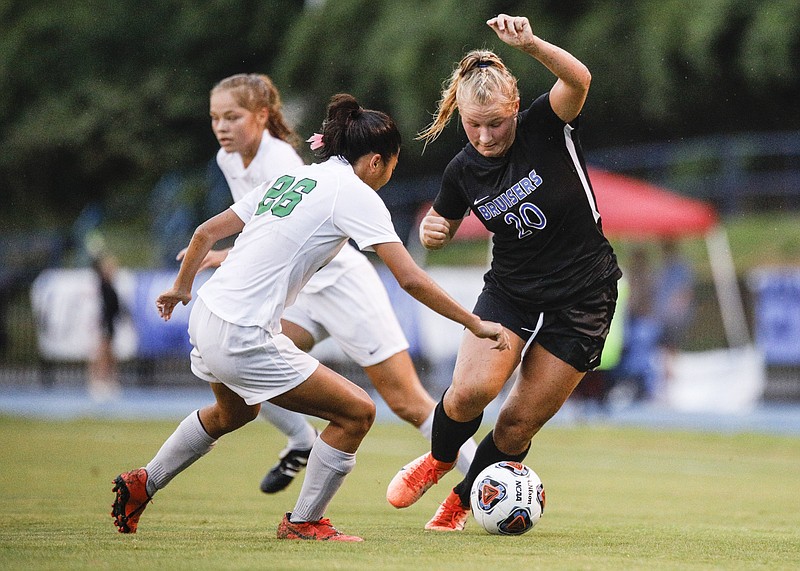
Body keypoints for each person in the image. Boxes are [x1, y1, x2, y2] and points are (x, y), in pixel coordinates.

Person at [110, 93, 508, 542]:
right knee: (356, 413)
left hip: (206, 315)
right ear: (376, 161)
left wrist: (182, 287)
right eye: (393, 165)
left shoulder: (294, 178)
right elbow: (411, 279)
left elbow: (205, 232)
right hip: (242, 333)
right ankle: (303, 522)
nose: (390, 174)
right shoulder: (356, 193)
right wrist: (473, 323)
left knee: (232, 413)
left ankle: (145, 481)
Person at [385, 14, 622, 532]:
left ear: (514, 108)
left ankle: (465, 498)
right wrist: (435, 231)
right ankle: (440, 458)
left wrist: (532, 43)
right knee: (470, 391)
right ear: (460, 118)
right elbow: (443, 221)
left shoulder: (546, 124)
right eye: (474, 125)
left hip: (585, 295)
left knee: (516, 423)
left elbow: (580, 79)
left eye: (496, 123)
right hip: (512, 291)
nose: (486, 136)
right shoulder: (462, 170)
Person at [195, 73, 478, 494]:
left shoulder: (282, 162)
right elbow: (269, 230)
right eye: (216, 117)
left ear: (261, 116)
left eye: (232, 117)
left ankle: (479, 481)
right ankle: (301, 439)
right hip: (299, 291)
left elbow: (295, 225)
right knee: (237, 363)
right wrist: (227, 255)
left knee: (406, 401)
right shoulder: (227, 161)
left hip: (342, 283)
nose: (221, 126)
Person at [88, 252, 122, 402]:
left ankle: (110, 382)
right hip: (103, 323)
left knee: (110, 355)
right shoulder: (101, 284)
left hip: (110, 323)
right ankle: (97, 384)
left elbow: (116, 306)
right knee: (101, 353)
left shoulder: (110, 285)